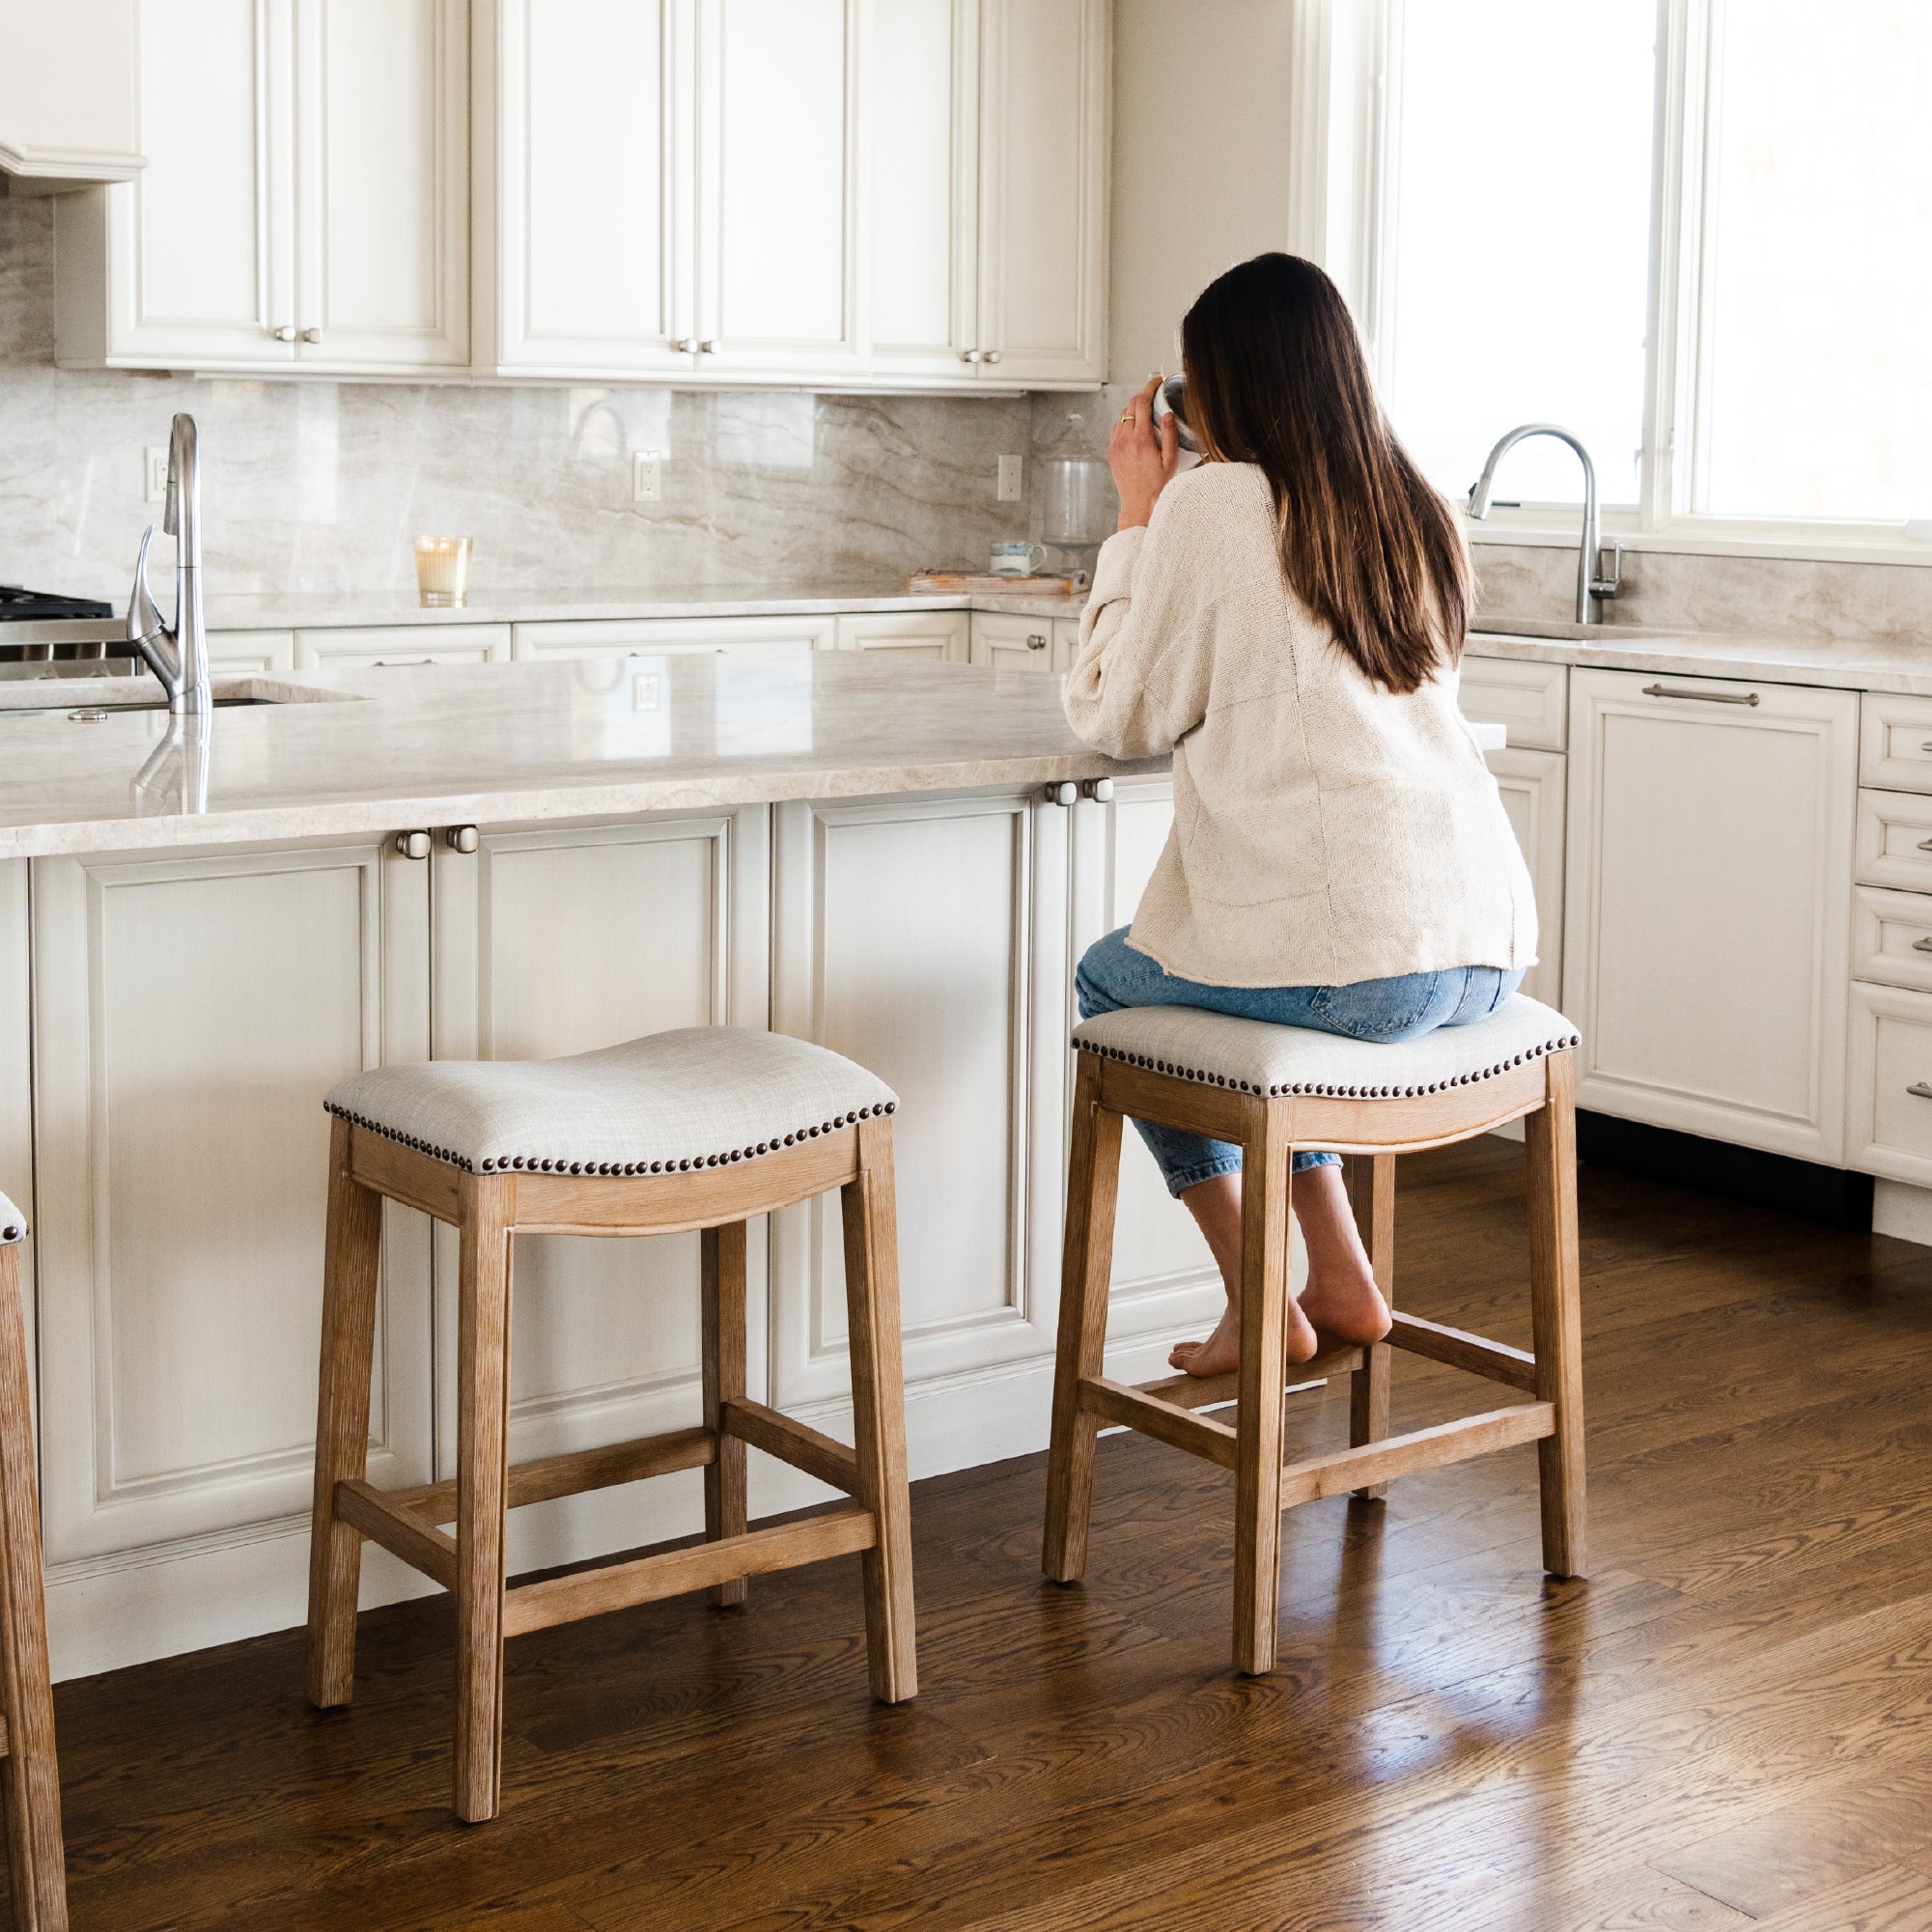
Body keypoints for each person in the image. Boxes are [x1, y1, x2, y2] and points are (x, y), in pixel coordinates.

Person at [1065, 251, 1537, 1379]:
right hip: (1480, 948)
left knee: (1108, 978)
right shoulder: (1414, 503)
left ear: (1225, 384)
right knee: (1295, 985)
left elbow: (1110, 710)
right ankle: (1341, 1272)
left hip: (1360, 967)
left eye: (1190, 382)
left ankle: (1258, 1295)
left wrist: (1136, 512)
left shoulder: (1215, 502)